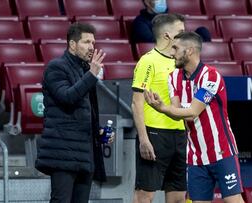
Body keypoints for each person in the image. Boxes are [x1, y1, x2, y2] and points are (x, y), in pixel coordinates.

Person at [144, 31, 245, 203]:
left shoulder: (211, 77)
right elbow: (177, 114)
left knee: (233, 201)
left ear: (189, 51)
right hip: (195, 157)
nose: (172, 52)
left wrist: (162, 108)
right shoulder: (173, 77)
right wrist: (164, 107)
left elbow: (192, 112)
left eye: (176, 48)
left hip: (222, 152)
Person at [35, 22, 114, 203]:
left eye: (93, 43)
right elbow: (67, 97)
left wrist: (98, 132)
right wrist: (92, 75)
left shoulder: (84, 70)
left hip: (84, 152)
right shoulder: (56, 67)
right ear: (72, 44)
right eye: (86, 42)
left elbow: (84, 110)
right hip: (62, 151)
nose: (91, 47)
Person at [131, 13, 187, 203]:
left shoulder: (181, 62)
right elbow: (136, 102)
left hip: (179, 134)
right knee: (145, 195)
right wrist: (143, 139)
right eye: (180, 32)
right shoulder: (148, 61)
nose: (184, 35)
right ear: (167, 36)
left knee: (178, 196)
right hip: (155, 134)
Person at [132, 0, 212, 43]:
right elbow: (151, 42)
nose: (162, 1)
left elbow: (181, 35)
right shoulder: (140, 23)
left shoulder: (172, 18)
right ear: (147, 2)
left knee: (203, 32)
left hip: (180, 49)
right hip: (164, 56)